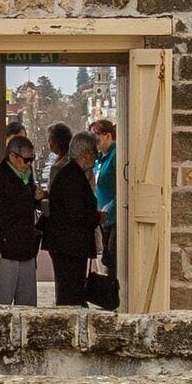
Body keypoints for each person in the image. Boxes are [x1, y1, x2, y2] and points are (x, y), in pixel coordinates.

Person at [41, 124, 102, 312]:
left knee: (70, 292)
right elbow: (75, 213)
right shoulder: (72, 176)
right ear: (86, 154)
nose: (96, 158)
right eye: (95, 154)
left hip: (69, 245)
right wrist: (96, 217)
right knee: (70, 295)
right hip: (69, 246)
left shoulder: (71, 173)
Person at [0, 128, 42, 304]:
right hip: (6, 250)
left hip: (25, 249)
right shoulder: (0, 178)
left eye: (32, 159)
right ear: (12, 156)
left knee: (27, 303)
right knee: (1, 302)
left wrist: (35, 196)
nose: (29, 164)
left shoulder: (26, 175)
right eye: (26, 160)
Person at [84, 114, 123, 307]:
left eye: (97, 138)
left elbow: (120, 188)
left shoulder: (116, 155)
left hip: (113, 216)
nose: (95, 143)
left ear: (108, 136)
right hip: (104, 218)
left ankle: (113, 299)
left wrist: (110, 208)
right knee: (107, 258)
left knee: (112, 257)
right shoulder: (101, 158)